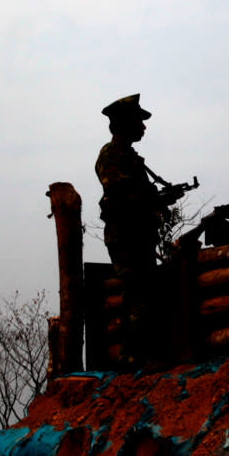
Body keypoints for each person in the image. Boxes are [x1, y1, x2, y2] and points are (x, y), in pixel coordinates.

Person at [95, 93, 171, 366]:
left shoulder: (128, 157)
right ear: (124, 123)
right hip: (127, 236)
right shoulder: (112, 155)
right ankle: (134, 357)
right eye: (139, 121)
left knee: (142, 293)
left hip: (138, 235)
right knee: (138, 294)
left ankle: (139, 355)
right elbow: (120, 195)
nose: (144, 127)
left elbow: (135, 195)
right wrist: (155, 200)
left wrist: (160, 200)